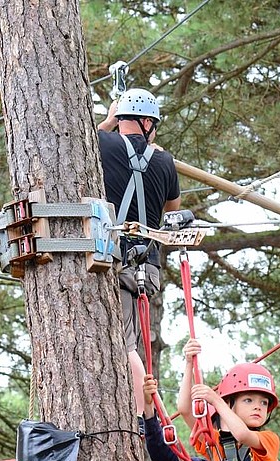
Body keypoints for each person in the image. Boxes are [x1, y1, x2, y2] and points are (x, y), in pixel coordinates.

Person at [97, 88, 181, 415]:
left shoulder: (104, 143)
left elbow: (78, 143)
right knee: (131, 339)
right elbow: (172, 209)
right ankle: (141, 415)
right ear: (147, 122)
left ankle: (138, 419)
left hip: (113, 259)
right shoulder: (165, 160)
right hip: (148, 264)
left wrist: (107, 122)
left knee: (125, 343)